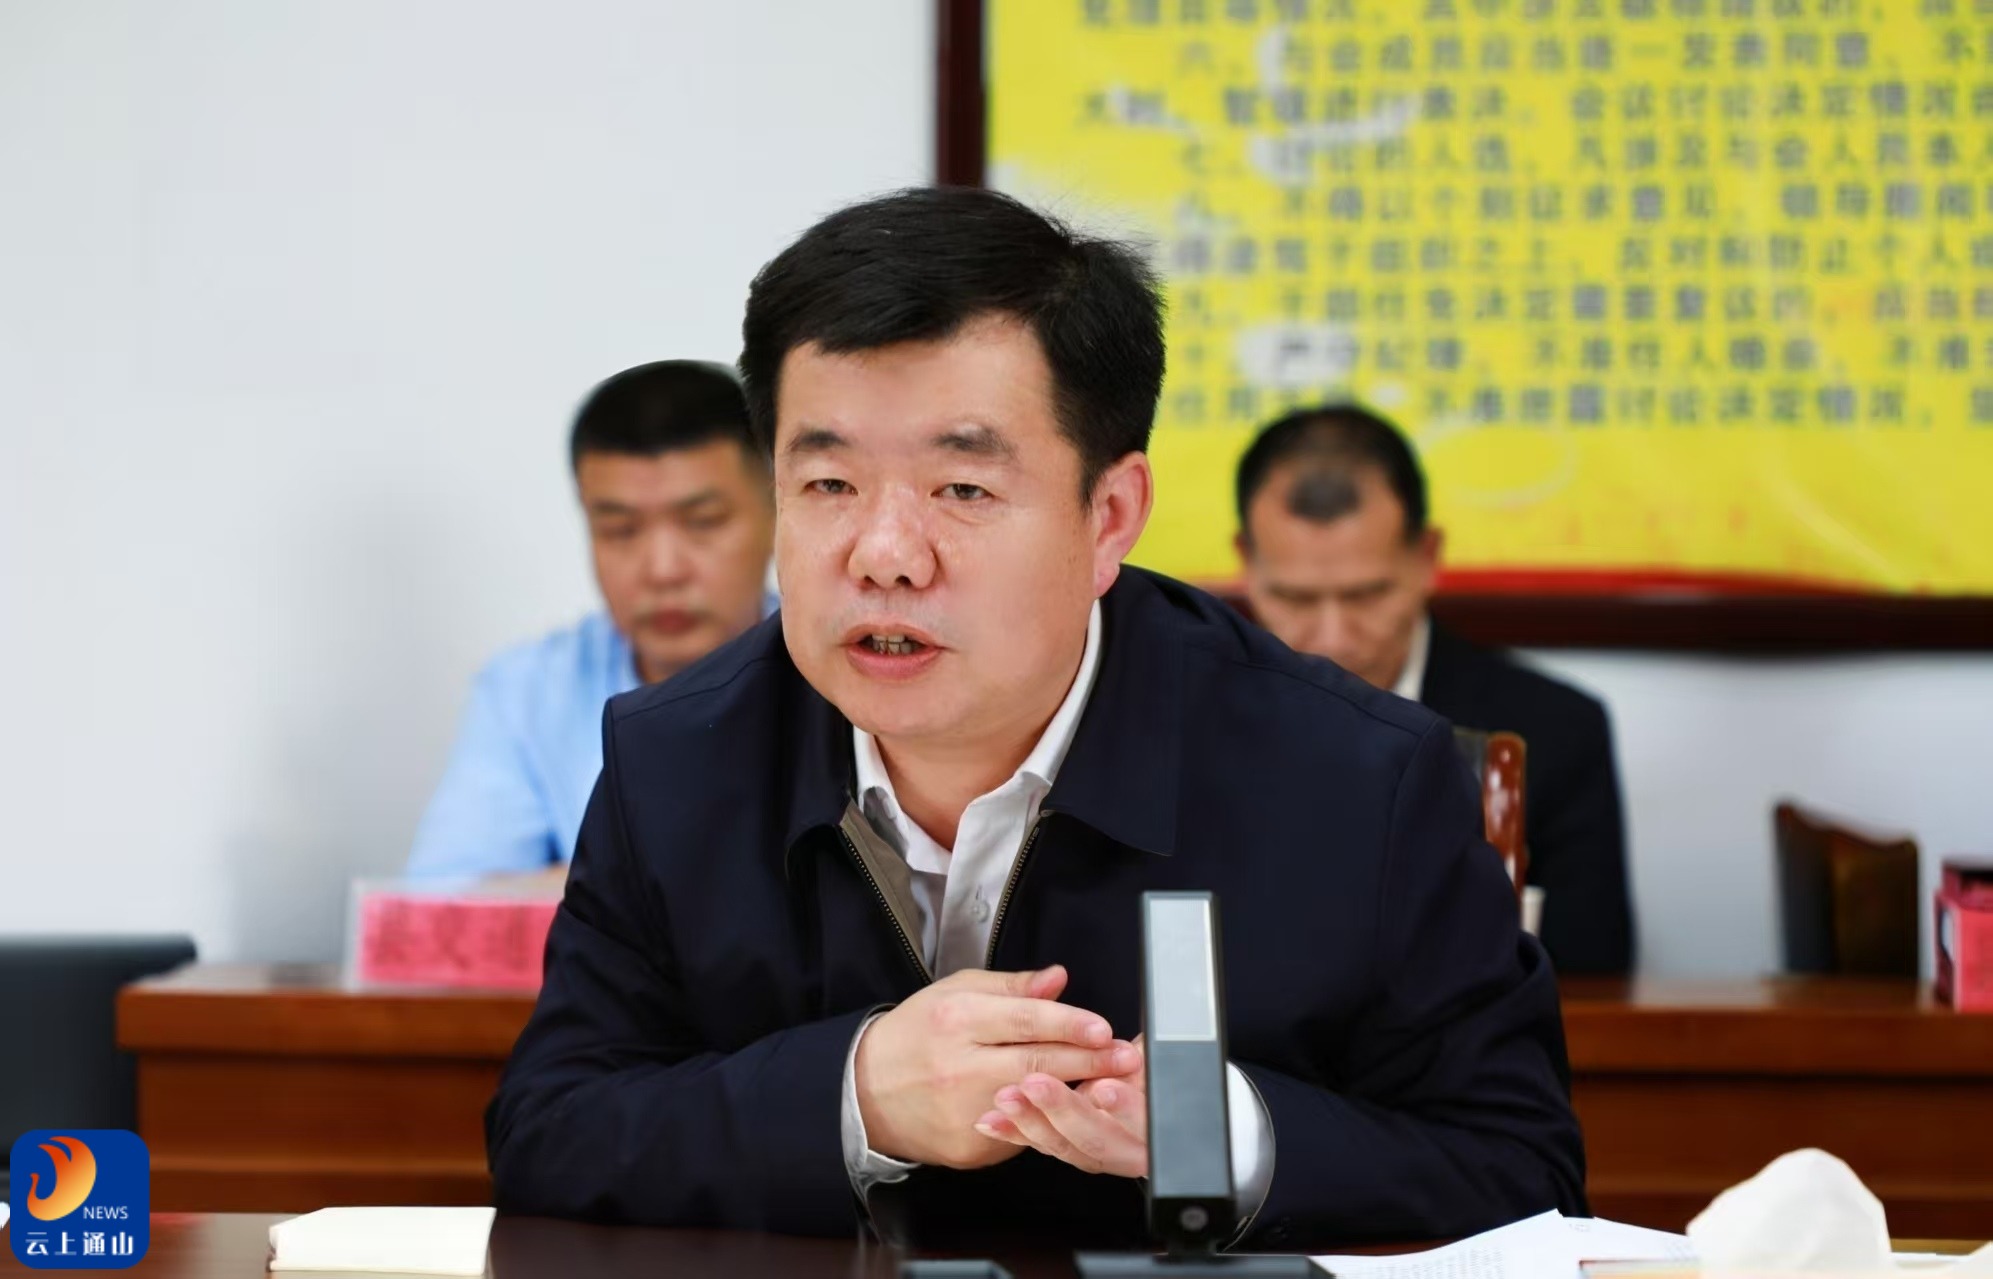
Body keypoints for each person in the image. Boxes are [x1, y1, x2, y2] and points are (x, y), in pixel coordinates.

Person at [486, 188, 1584, 1250]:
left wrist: (1224, 1137)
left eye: (962, 490)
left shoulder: (1358, 780)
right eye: (827, 485)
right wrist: (855, 1095)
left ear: (1109, 515)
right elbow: (548, 1131)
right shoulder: (674, 758)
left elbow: (1521, 1171)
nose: (883, 555)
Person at [1234, 404, 1635, 975]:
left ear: (1427, 558)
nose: (1333, 637)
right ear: (1247, 565)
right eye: (1295, 599)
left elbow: (1591, 979)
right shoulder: (1190, 720)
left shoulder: (1554, 731)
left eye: (1367, 595)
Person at [405, 361, 775, 884]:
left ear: (778, 511)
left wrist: (587, 893)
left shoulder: (844, 675)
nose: (663, 570)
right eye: (620, 530)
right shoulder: (528, 691)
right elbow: (441, 908)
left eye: (703, 522)